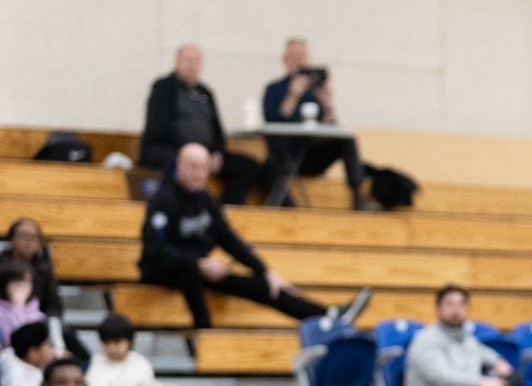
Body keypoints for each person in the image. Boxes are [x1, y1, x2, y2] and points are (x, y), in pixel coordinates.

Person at [139, 144, 359, 330]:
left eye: (204, 168)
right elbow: (154, 249)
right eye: (193, 167)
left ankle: (327, 316)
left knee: (264, 285)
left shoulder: (207, 201)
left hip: (202, 270)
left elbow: (229, 240)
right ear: (180, 166)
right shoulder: (164, 200)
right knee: (189, 270)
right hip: (164, 268)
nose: (199, 173)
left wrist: (264, 270)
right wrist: (198, 263)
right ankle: (205, 333)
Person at [139, 43, 262, 205]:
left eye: (196, 60)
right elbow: (158, 129)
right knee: (179, 164)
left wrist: (216, 152)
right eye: (187, 60)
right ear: (177, 62)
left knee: (248, 166)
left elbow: (218, 131)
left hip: (206, 154)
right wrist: (190, 153)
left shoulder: (205, 92)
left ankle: (227, 210)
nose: (192, 65)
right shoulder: (163, 88)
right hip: (171, 150)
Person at [261, 38, 370, 210]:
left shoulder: (314, 92)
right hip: (285, 156)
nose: (298, 60)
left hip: (310, 155)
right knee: (267, 167)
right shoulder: (274, 89)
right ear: (285, 59)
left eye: (302, 56)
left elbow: (331, 128)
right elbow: (273, 124)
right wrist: (292, 95)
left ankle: (358, 195)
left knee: (346, 138)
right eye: (294, 56)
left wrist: (327, 105)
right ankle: (290, 208)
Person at [0, 219, 64, 322]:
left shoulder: (44, 270)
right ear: (11, 239)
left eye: (33, 237)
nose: (28, 241)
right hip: (0, 320)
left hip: (35, 325)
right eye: (23, 236)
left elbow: (54, 306)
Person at [0, 320, 56, 386]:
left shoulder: (37, 366)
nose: (52, 349)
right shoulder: (14, 374)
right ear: (32, 352)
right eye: (47, 345)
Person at [0, 262, 46, 345]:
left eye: (25, 283)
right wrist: (18, 307)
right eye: (16, 283)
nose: (20, 288)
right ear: (5, 285)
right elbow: (10, 341)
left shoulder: (38, 315)